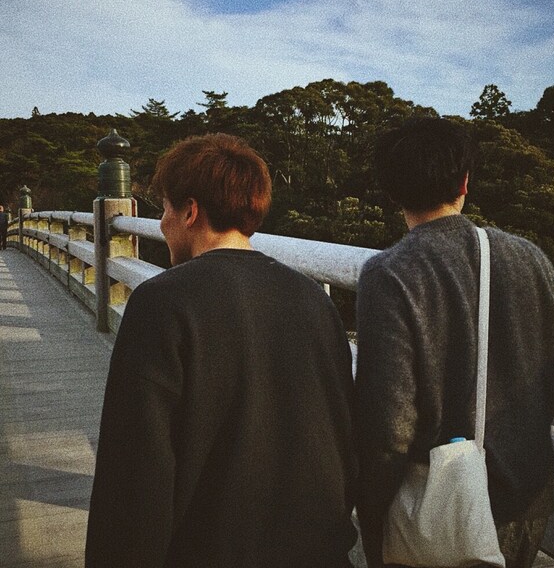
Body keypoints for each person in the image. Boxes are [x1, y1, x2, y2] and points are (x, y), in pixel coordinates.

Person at [86, 134, 357, 567]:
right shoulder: (314, 299)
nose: (162, 223)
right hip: (320, 551)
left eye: (165, 209)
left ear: (190, 212)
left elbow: (136, 475)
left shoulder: (162, 303)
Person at [354, 117, 554, 568]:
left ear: (392, 192)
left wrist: (371, 509)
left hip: (439, 506)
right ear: (464, 183)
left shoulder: (389, 273)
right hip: (524, 499)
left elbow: (390, 426)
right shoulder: (530, 258)